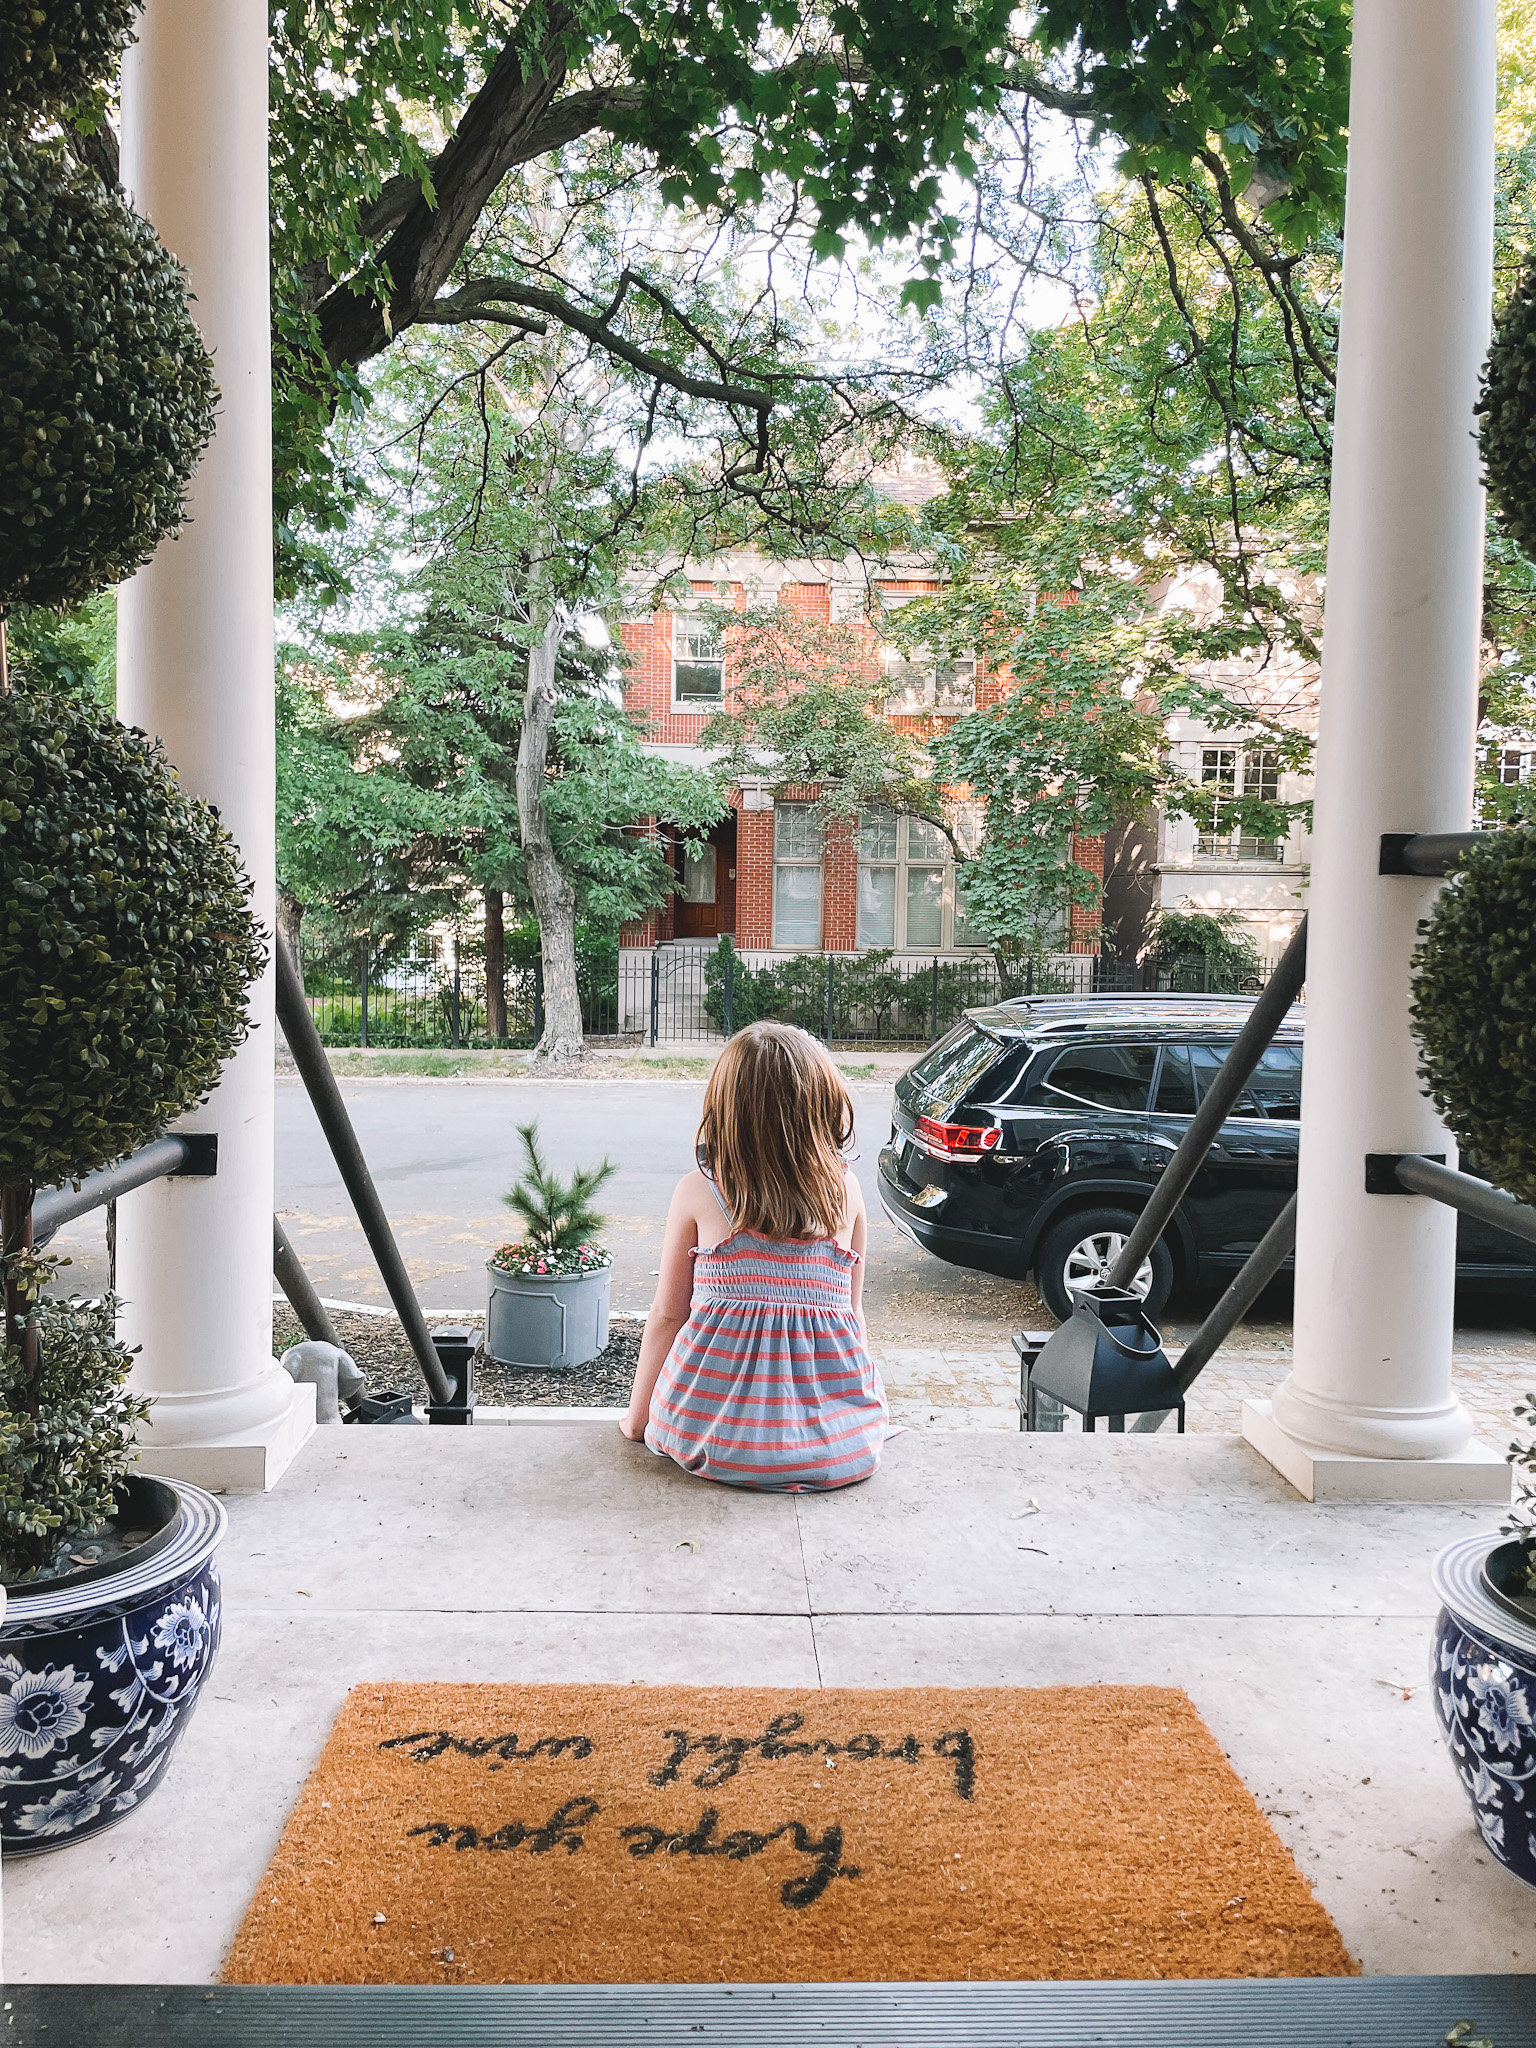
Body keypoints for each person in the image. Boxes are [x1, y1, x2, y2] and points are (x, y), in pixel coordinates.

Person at [620, 1021, 888, 1490]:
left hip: (708, 1439)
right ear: (820, 1105)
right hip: (834, 1451)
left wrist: (638, 1420)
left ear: (727, 1109)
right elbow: (852, 1316)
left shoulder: (699, 1190)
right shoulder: (846, 1191)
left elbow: (667, 1316)